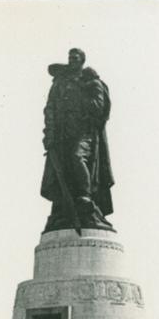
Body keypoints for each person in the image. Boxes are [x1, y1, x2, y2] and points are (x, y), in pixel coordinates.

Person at [41, 48, 114, 233]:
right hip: (62, 136)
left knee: (77, 157)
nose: (72, 60)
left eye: (76, 58)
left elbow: (99, 109)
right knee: (63, 172)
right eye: (70, 57)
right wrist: (49, 134)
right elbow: (50, 108)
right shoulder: (60, 84)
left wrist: (82, 94)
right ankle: (63, 209)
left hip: (85, 133)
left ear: (82, 60)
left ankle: (85, 197)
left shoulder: (89, 82)